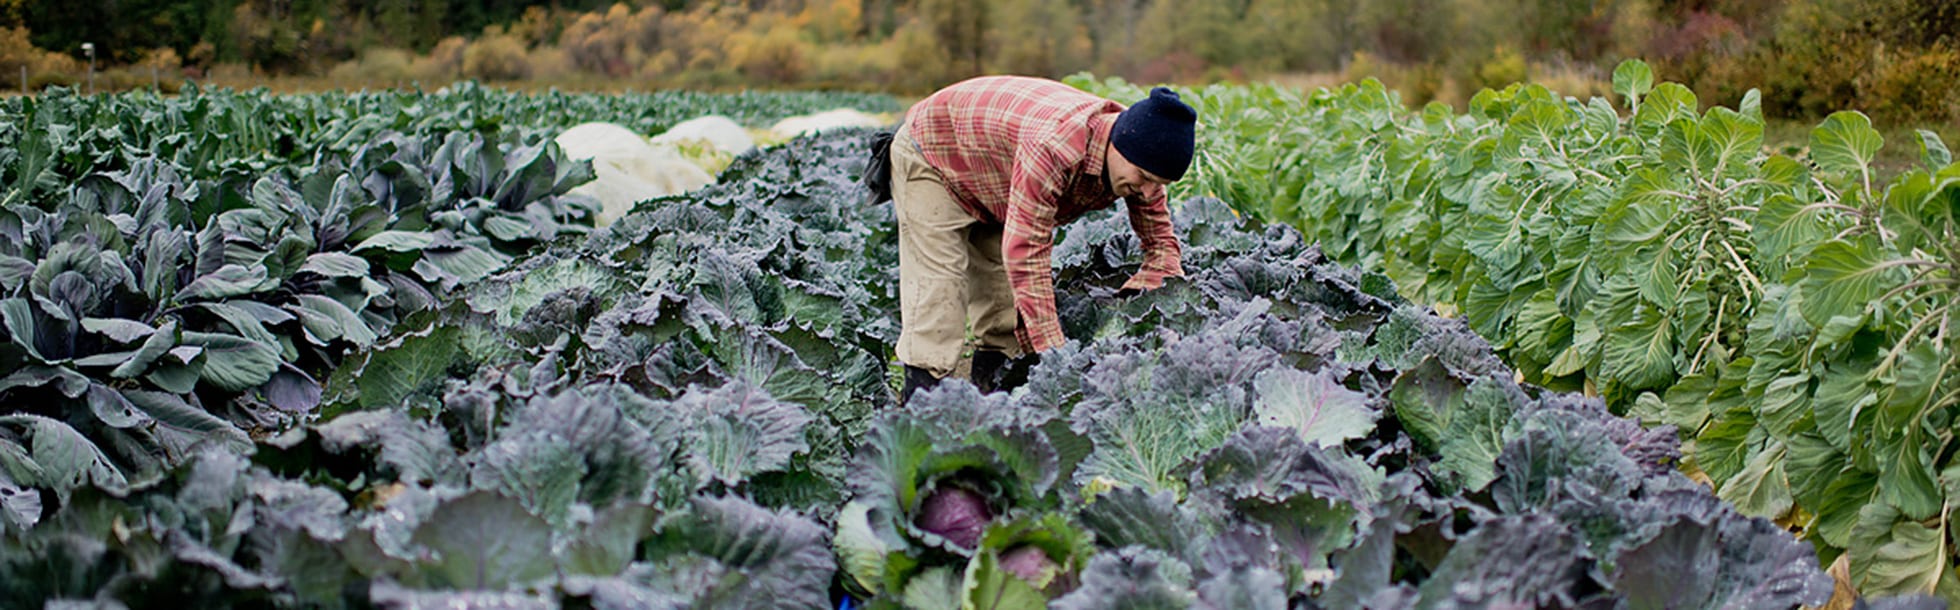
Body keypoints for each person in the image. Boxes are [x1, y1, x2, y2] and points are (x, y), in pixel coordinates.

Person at [884, 75, 1196, 405]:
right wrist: (1054, 352)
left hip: (994, 172)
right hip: (934, 153)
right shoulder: (1056, 147)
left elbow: (1161, 242)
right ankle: (922, 404)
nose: (1147, 190)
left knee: (1002, 298)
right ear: (1117, 146)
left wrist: (1159, 279)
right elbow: (1028, 250)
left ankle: (996, 393)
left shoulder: (1138, 152)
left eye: (1158, 184)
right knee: (940, 285)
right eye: (1144, 177)